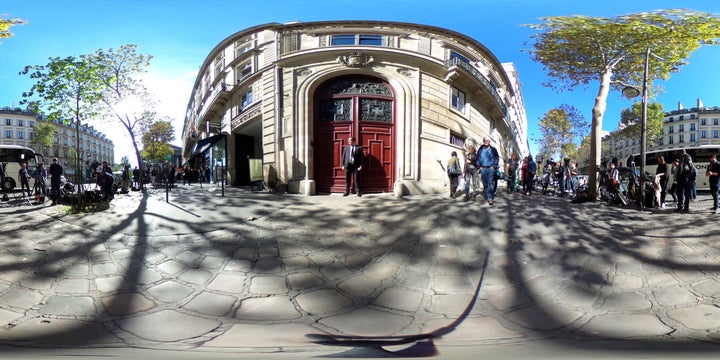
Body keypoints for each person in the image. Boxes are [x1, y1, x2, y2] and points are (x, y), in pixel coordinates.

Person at [477, 136, 500, 205]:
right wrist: (479, 166)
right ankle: (486, 196)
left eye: (487, 140)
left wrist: (494, 166)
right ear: (483, 141)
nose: (486, 141)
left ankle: (490, 198)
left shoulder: (493, 149)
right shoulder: (480, 149)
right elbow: (478, 158)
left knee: (490, 183)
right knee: (485, 184)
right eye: (484, 140)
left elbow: (496, 158)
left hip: (491, 168)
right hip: (483, 168)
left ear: (489, 142)